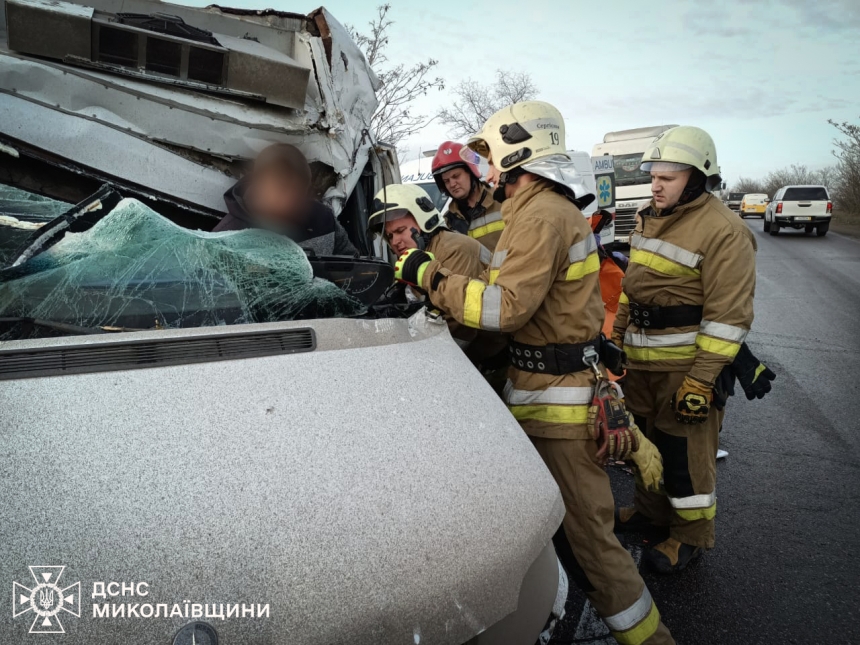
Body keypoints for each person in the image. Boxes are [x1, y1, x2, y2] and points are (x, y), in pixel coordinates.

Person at [393, 101, 675, 645]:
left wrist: (429, 276)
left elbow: (504, 310)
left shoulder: (541, 214)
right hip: (544, 391)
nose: (486, 171)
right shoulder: (538, 209)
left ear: (516, 153)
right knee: (557, 537)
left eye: (490, 158)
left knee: (590, 547)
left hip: (557, 404)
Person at [611, 126, 758, 574]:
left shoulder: (724, 231)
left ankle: (691, 536)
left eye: (667, 178)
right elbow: (632, 289)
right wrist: (616, 339)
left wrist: (700, 381)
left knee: (685, 457)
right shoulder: (648, 217)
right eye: (653, 176)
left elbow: (728, 318)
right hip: (641, 366)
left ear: (697, 178)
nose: (655, 186)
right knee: (646, 445)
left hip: (684, 369)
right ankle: (650, 513)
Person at [368, 183, 490, 349]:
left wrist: (409, 347)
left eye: (400, 230)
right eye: (390, 236)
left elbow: (459, 326)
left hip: (482, 358)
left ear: (423, 220)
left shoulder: (455, 250)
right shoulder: (417, 257)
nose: (395, 241)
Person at [213, 143, 357, 256]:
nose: (289, 199)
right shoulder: (227, 237)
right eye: (281, 188)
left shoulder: (324, 221)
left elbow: (354, 267)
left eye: (298, 191)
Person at [431, 141, 505, 251]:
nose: (452, 184)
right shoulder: (448, 222)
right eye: (446, 181)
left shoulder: (502, 201)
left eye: (456, 176)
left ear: (471, 172)